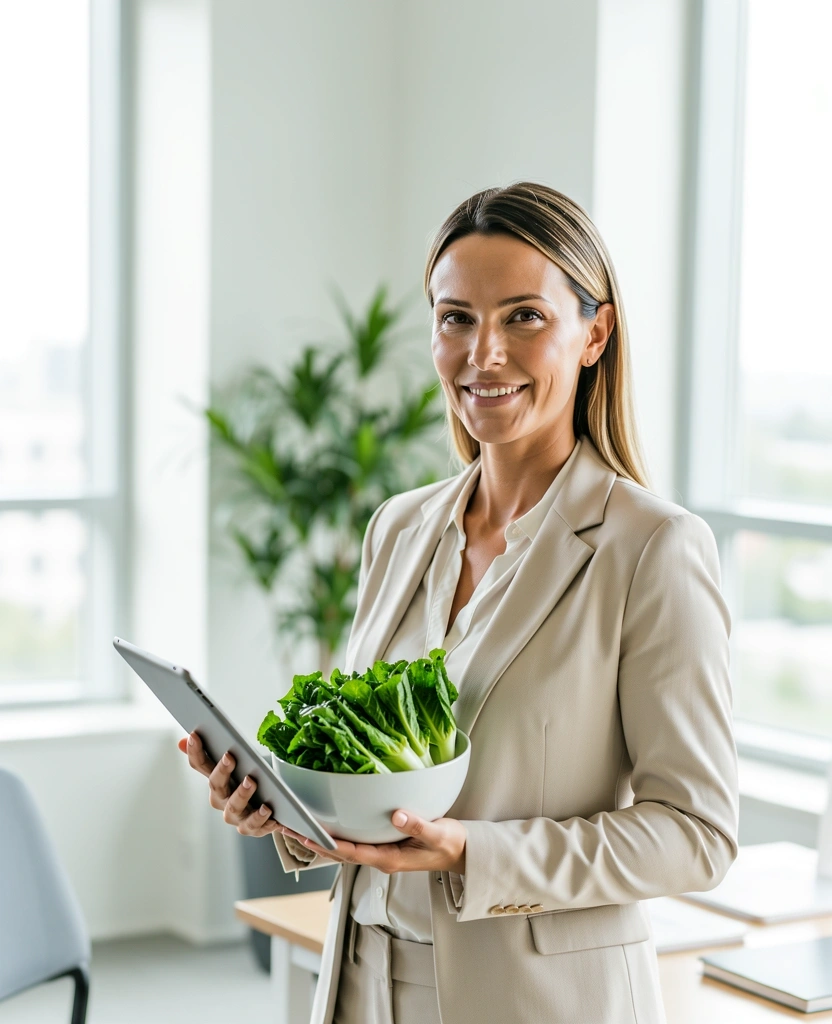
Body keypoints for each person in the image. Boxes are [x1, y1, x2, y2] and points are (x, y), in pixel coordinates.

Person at [180, 182, 738, 1024]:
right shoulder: (399, 528)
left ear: (594, 332)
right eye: (455, 318)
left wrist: (473, 853)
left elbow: (695, 834)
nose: (483, 354)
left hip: (536, 1000)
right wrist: (282, 811)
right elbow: (376, 791)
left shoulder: (652, 548)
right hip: (363, 982)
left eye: (523, 317)